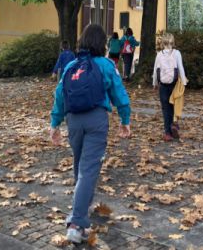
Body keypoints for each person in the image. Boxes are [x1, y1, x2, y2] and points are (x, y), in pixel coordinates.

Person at [49, 24, 131, 245]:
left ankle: (82, 210)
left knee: (80, 166)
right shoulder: (106, 65)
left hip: (73, 120)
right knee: (88, 170)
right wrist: (125, 119)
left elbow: (60, 95)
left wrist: (54, 124)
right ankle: (76, 224)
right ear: (102, 44)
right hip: (96, 119)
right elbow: (119, 93)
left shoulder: (71, 66)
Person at [152, 32, 188, 142]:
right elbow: (181, 68)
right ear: (173, 42)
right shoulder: (177, 53)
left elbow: (155, 70)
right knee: (174, 105)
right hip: (174, 84)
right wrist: (184, 83)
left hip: (163, 85)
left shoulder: (159, 54)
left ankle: (167, 133)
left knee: (165, 109)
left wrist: (154, 83)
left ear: (163, 43)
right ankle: (174, 124)